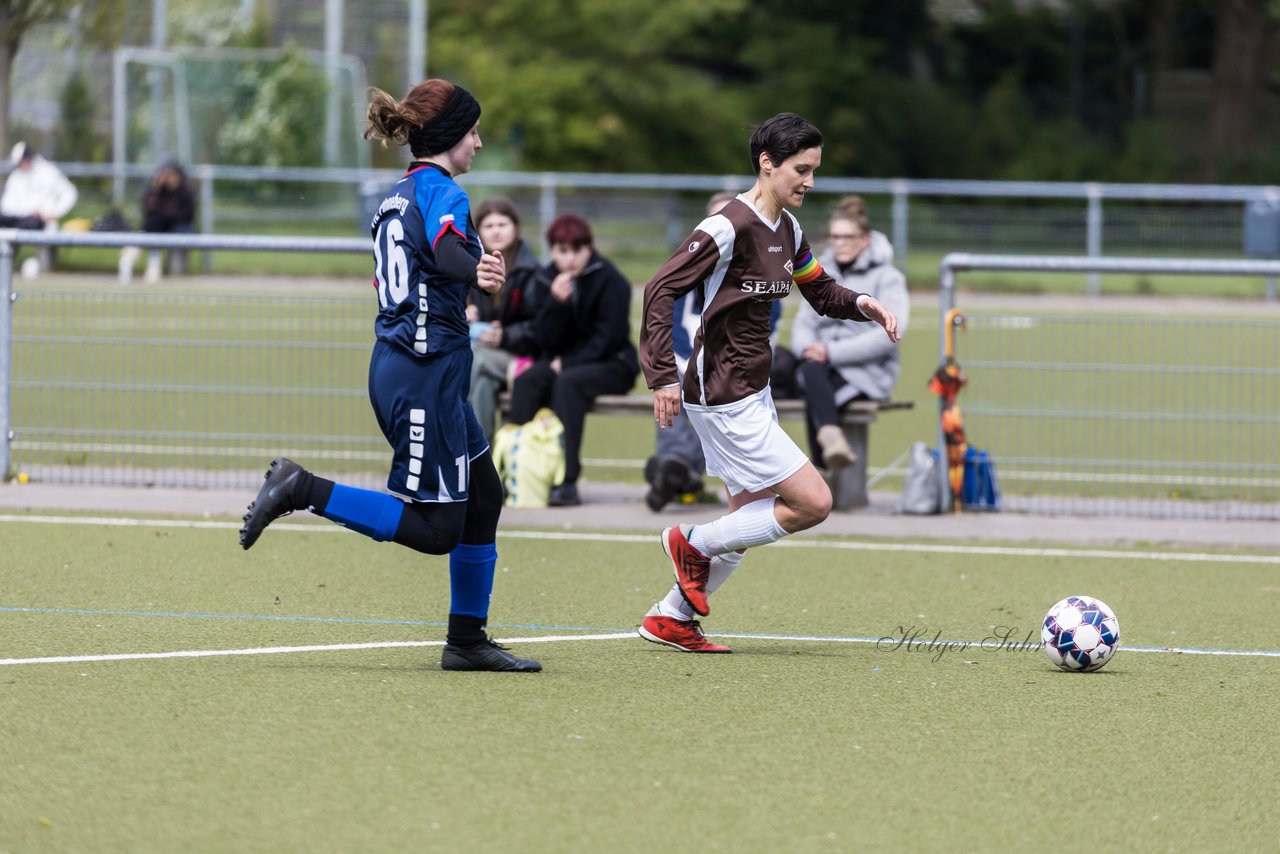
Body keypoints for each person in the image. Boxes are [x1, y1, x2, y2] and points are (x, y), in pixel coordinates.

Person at [238, 78, 541, 673]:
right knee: (437, 530)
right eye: (473, 131)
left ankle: (466, 641)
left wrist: (462, 271)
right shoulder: (442, 193)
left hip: (421, 371)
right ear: (451, 135)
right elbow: (449, 247)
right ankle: (302, 488)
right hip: (423, 375)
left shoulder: (397, 193)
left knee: (485, 496)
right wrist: (477, 268)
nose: (478, 143)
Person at [637, 113, 900, 653]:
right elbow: (659, 289)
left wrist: (863, 303)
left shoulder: (790, 228)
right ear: (767, 164)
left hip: (751, 388)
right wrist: (662, 373)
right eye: (801, 170)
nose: (810, 182)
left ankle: (671, 617)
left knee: (750, 517)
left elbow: (819, 289)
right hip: (721, 391)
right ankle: (690, 543)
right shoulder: (726, 226)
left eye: (814, 171)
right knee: (812, 502)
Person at [501, 212, 639, 507]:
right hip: (562, 361)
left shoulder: (610, 279)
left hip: (612, 364)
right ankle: (512, 469)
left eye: (577, 250)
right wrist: (555, 303)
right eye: (563, 251)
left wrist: (568, 362)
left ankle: (568, 481)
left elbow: (610, 338)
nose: (571, 259)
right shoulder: (546, 278)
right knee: (527, 382)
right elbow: (542, 337)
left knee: (567, 383)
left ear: (589, 248)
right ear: (552, 251)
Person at [791, 207, 909, 472]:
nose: (840, 243)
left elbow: (889, 334)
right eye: (835, 237)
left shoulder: (888, 278)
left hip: (865, 373)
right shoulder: (820, 273)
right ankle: (828, 444)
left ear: (865, 239)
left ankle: (823, 464)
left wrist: (830, 352)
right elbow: (802, 325)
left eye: (847, 237)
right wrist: (810, 348)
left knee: (811, 376)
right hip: (818, 365)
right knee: (783, 365)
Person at [466, 196, 549, 439]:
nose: (496, 231)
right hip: (485, 358)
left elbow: (542, 329)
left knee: (476, 357)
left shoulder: (533, 272)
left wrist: (504, 336)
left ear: (516, 227)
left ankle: (477, 457)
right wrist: (463, 316)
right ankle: (486, 460)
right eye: (489, 226)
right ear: (479, 231)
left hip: (523, 357)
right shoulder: (471, 268)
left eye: (502, 224)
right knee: (480, 380)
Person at [0, 143, 78, 274]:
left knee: (31, 223)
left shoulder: (48, 171)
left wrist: (56, 213)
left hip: (38, 221)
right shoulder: (16, 175)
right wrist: (25, 212)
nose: (19, 166)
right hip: (17, 218)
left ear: (28, 158)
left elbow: (69, 193)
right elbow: (6, 205)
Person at [119, 160, 197, 284]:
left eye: (170, 174)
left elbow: (187, 215)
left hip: (177, 228)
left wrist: (168, 216)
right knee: (149, 229)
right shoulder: (157, 190)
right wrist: (156, 190)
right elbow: (147, 209)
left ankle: (159, 270)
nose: (167, 178)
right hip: (155, 228)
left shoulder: (185, 192)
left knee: (162, 228)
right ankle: (130, 267)